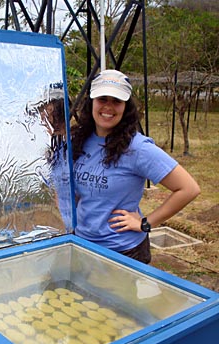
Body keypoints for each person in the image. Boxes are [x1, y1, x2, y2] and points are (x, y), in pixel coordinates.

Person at [71, 69, 200, 264]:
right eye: (102, 99)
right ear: (91, 102)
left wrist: (145, 223)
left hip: (123, 251)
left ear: (126, 107)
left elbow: (188, 189)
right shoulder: (80, 141)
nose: (108, 107)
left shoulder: (138, 148)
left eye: (116, 101)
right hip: (83, 244)